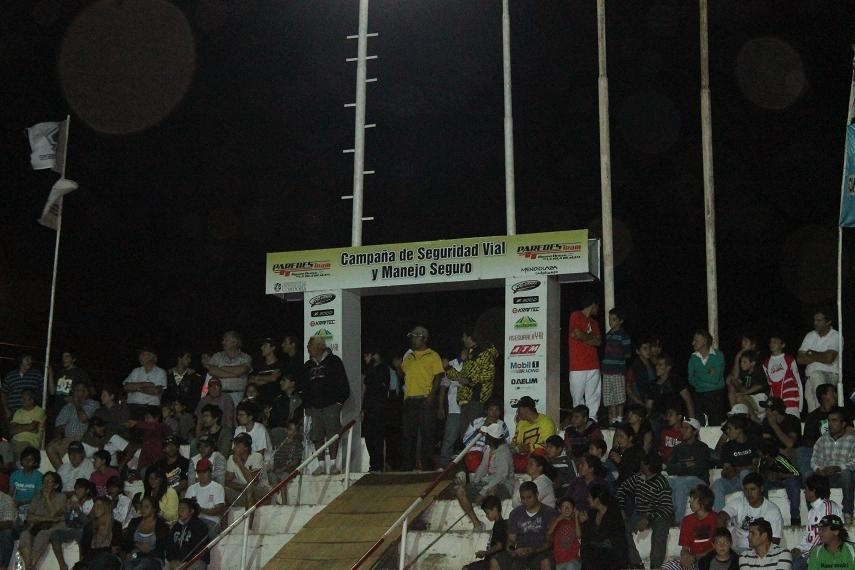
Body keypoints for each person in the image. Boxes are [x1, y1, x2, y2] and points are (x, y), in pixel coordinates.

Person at [301, 335, 350, 475]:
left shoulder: (334, 361)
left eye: (310, 345)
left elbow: (343, 382)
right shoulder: (308, 365)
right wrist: (307, 405)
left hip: (331, 405)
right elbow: (304, 387)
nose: (308, 348)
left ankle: (334, 465)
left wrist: (339, 402)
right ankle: (321, 465)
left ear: (319, 347)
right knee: (317, 436)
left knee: (333, 434)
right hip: (315, 408)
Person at [617, 452, 674, 570]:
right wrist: (621, 509)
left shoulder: (661, 482)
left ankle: (655, 566)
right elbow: (621, 490)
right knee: (620, 527)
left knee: (661, 527)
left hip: (658, 514)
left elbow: (666, 508)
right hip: (639, 513)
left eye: (642, 463)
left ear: (648, 466)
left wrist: (648, 518)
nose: (640, 464)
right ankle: (636, 563)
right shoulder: (638, 477)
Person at [399, 326, 444, 472]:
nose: (412, 340)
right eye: (412, 337)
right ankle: (408, 467)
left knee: (427, 434)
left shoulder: (433, 355)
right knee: (408, 435)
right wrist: (398, 368)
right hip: (410, 399)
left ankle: (426, 467)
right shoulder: (409, 356)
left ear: (423, 338)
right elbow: (403, 374)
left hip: (425, 399)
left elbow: (438, 377)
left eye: (415, 337)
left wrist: (432, 396)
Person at [454, 422, 514, 529]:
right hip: (488, 483)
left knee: (492, 490)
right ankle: (477, 524)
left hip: (504, 486)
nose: (485, 436)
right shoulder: (489, 449)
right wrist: (475, 483)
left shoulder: (504, 453)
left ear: (492, 438)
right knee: (460, 490)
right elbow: (483, 466)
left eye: (487, 435)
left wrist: (483, 492)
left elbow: (501, 477)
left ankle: (499, 525)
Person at [444, 327, 499, 438]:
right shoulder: (470, 354)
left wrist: (470, 380)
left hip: (476, 399)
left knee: (473, 435)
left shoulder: (483, 353)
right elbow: (461, 376)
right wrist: (447, 368)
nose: (462, 339)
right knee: (465, 435)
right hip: (465, 400)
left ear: (470, 337)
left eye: (464, 337)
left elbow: (488, 374)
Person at [717, 473, 784, 553]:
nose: (749, 493)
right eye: (746, 490)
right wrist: (725, 540)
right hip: (736, 549)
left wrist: (757, 553)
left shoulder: (772, 510)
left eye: (753, 489)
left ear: (761, 489)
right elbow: (721, 517)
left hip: (758, 551)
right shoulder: (739, 502)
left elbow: (775, 540)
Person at [809, 406, 855, 523]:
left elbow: (854, 462)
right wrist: (819, 470)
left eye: (834, 421)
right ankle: (814, 514)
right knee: (810, 476)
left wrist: (838, 467)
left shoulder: (852, 440)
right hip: (825, 476)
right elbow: (814, 460)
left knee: (847, 474)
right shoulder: (822, 440)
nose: (830, 424)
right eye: (829, 420)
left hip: (841, 475)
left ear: (843, 424)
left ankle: (847, 513)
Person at [791, 474, 844, 570]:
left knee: (796, 565)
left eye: (806, 489)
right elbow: (807, 534)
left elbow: (827, 534)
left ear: (813, 491)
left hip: (824, 553)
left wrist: (805, 554)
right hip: (810, 553)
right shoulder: (812, 511)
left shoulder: (827, 506)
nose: (804, 492)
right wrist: (799, 548)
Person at [502, 481, 556, 570]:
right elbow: (511, 540)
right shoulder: (515, 513)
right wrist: (512, 551)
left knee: (546, 561)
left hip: (542, 552)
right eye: (522, 498)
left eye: (529, 497)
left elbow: (550, 541)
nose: (525, 501)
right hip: (520, 553)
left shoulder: (549, 513)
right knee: (499, 560)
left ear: (537, 495)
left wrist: (533, 550)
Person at [18, 471, 67, 570]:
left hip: (55, 527)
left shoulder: (61, 496)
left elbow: (54, 514)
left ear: (56, 485)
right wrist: (47, 518)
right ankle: (29, 566)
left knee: (43, 534)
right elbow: (29, 517)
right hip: (37, 526)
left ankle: (31, 565)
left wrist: (47, 498)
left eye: (49, 482)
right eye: (44, 481)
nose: (46, 484)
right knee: (24, 534)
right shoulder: (37, 497)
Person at [661, 484, 717, 570]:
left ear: (703, 501)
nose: (689, 501)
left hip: (710, 560)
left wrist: (696, 557)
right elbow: (685, 548)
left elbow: (719, 547)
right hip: (693, 560)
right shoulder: (687, 520)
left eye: (693, 498)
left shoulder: (716, 518)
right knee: (666, 567)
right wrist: (685, 557)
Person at [667, 417, 712, 524]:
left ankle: (678, 520)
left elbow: (698, 470)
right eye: (682, 427)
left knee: (681, 483)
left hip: (700, 481)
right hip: (681, 479)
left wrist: (679, 467)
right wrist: (685, 465)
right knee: (665, 481)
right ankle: (667, 515)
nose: (682, 430)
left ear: (695, 431)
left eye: (686, 428)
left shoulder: (702, 447)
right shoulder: (678, 448)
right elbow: (669, 468)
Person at [48, 381, 100, 468]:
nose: (77, 393)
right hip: (68, 439)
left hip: (84, 438)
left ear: (86, 392)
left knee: (76, 451)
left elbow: (83, 418)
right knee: (50, 448)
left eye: (81, 390)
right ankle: (63, 472)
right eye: (76, 390)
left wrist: (76, 403)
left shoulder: (92, 404)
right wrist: (59, 436)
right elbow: (59, 426)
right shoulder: (67, 407)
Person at [797, 310, 840, 413]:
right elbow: (799, 359)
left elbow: (829, 358)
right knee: (813, 412)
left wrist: (811, 353)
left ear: (828, 322)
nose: (815, 323)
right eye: (815, 320)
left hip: (828, 375)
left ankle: (825, 421)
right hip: (809, 378)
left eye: (819, 320)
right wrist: (821, 355)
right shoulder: (810, 335)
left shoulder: (836, 336)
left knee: (822, 406)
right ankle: (819, 422)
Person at [712, 415, 758, 511]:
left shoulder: (752, 442)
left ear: (739, 429)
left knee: (744, 473)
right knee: (717, 483)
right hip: (734, 479)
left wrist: (737, 469)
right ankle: (720, 515)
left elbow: (755, 466)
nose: (727, 431)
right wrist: (727, 472)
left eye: (730, 428)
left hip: (751, 479)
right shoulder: (727, 446)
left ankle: (749, 510)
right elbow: (726, 469)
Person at [568, 293, 602, 419]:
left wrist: (583, 337)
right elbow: (576, 334)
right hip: (578, 365)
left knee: (593, 397)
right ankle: (580, 422)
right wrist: (590, 338)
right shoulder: (576, 315)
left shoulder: (594, 323)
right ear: (593, 304)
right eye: (597, 306)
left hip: (593, 365)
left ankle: (592, 420)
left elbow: (598, 342)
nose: (598, 309)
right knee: (577, 398)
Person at [579, 483, 628, 570]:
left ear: (597, 500)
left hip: (612, 552)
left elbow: (601, 536)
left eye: (590, 497)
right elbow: (587, 536)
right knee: (589, 555)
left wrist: (586, 522)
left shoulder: (613, 513)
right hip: (596, 553)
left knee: (597, 556)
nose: (587, 499)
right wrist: (584, 523)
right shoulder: (592, 513)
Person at [797, 384, 839, 482]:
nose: (835, 395)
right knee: (801, 451)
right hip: (819, 452)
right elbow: (807, 441)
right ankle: (810, 481)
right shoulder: (813, 417)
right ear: (823, 396)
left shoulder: (841, 413)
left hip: (839, 450)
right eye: (832, 392)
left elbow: (849, 434)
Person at [50, 478, 95, 570]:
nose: (77, 491)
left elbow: (89, 524)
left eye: (80, 488)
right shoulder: (73, 502)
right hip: (74, 530)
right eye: (76, 488)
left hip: (86, 532)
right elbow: (69, 522)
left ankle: (82, 564)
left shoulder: (92, 503)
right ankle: (62, 565)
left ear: (87, 490)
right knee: (54, 534)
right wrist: (68, 511)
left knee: (83, 534)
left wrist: (78, 512)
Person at [201, 330, 253, 406]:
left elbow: (242, 370)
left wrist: (221, 368)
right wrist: (235, 375)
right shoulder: (217, 356)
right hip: (219, 395)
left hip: (239, 395)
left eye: (226, 340)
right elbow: (212, 371)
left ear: (234, 342)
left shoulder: (245, 357)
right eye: (223, 340)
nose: (223, 342)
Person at [687, 329, 726, 425]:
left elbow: (715, 379)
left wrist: (698, 374)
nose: (693, 343)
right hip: (699, 395)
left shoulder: (718, 355)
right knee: (700, 426)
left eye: (696, 340)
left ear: (705, 341)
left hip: (716, 395)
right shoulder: (693, 357)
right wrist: (707, 373)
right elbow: (691, 379)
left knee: (716, 425)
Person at [601, 308, 631, 427]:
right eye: (610, 319)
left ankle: (619, 419)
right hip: (606, 371)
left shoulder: (624, 336)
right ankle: (612, 421)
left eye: (613, 320)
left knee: (619, 397)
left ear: (620, 321)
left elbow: (628, 354)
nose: (610, 322)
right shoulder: (608, 335)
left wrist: (617, 353)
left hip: (618, 371)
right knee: (609, 398)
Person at [647, 355, 696, 428]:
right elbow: (648, 406)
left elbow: (688, 400)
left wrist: (692, 420)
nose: (657, 367)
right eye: (656, 364)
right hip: (658, 419)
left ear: (668, 368)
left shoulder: (675, 380)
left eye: (660, 365)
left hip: (674, 417)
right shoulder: (653, 384)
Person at [122, 495, 170, 570]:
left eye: (146, 507)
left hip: (153, 558)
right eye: (141, 506)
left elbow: (161, 549)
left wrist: (148, 551)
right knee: (126, 566)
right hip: (134, 556)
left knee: (143, 565)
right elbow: (127, 542)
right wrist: (133, 547)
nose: (143, 509)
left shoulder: (162, 526)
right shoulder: (134, 522)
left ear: (154, 509)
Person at [362, 351, 391, 472]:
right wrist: (363, 408)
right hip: (369, 408)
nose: (370, 357)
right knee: (368, 437)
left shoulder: (384, 368)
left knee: (377, 437)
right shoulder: (369, 369)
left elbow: (375, 382)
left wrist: (369, 365)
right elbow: (366, 388)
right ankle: (373, 465)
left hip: (379, 408)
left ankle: (378, 465)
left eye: (373, 354)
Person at [462, 401, 510, 472]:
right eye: (491, 409)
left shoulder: (502, 425)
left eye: (497, 410)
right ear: (486, 411)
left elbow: (507, 444)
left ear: (500, 412)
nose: (494, 413)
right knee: (474, 462)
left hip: (494, 453)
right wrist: (480, 430)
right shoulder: (476, 422)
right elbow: (465, 441)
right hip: (476, 452)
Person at [225, 433, 269, 508]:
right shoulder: (231, 458)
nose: (234, 448)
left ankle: (250, 514)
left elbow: (252, 481)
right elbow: (228, 482)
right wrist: (242, 487)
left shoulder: (257, 457)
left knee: (249, 488)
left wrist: (239, 462)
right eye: (234, 445)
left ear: (246, 448)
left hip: (261, 491)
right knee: (223, 490)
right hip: (243, 491)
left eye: (237, 445)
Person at [763, 334, 803, 417]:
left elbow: (798, 382)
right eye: (771, 342)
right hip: (776, 403)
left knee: (793, 424)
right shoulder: (766, 363)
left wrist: (800, 406)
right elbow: (769, 384)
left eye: (775, 342)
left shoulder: (789, 359)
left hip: (791, 401)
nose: (772, 344)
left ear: (783, 345)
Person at [462, 495, 507, 570]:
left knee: (466, 568)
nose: (486, 516)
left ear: (495, 509)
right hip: (490, 560)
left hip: (493, 561)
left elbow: (499, 546)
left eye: (487, 513)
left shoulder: (500, 525)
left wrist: (484, 553)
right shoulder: (498, 524)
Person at [79, 495, 124, 569]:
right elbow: (85, 551)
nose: (95, 509)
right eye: (94, 506)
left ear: (106, 507)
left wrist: (98, 551)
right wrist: (107, 549)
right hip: (92, 560)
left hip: (110, 561)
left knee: (105, 558)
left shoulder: (116, 525)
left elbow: (116, 549)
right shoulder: (89, 527)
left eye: (99, 506)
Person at [165, 498, 210, 569]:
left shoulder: (200, 526)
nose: (180, 511)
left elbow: (197, 549)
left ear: (191, 511)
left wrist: (184, 562)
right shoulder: (176, 526)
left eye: (183, 509)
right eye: (179, 509)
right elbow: (169, 545)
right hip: (176, 561)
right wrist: (173, 560)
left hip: (195, 560)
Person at [184, 458, 226, 536]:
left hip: (211, 521)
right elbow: (185, 508)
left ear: (211, 472)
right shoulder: (191, 488)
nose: (201, 475)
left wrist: (200, 509)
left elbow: (218, 510)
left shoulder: (218, 487)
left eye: (204, 472)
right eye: (199, 472)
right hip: (193, 521)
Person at [123, 347, 167, 415]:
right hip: (132, 407)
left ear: (151, 356)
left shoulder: (160, 372)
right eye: (140, 354)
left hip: (150, 409)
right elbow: (126, 387)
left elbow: (156, 391)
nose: (140, 356)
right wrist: (147, 384)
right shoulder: (136, 371)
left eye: (143, 354)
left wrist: (135, 388)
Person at [49, 350, 93, 414]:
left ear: (73, 359)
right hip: (58, 409)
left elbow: (91, 391)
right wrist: (50, 374)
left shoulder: (80, 373)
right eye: (63, 357)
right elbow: (52, 392)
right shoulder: (60, 373)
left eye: (66, 356)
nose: (64, 359)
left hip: (72, 410)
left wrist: (76, 399)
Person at [267, 373, 304, 450]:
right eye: (281, 380)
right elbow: (273, 420)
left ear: (292, 383)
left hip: (297, 428)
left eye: (284, 380)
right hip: (283, 428)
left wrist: (293, 426)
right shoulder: (278, 400)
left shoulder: (301, 397)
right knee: (275, 431)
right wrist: (286, 426)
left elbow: (302, 416)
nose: (281, 382)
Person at [6, 388, 46, 460]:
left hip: (29, 443)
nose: (21, 401)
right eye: (21, 398)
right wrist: (28, 427)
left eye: (24, 399)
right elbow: (11, 430)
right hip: (14, 441)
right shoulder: (18, 412)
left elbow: (32, 427)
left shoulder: (39, 411)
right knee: (3, 446)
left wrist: (18, 426)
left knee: (18, 451)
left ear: (32, 400)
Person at [2, 353, 43, 418]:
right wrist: (7, 410)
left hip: (32, 413)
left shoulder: (36, 374)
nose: (30, 362)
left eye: (31, 359)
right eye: (27, 359)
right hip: (13, 412)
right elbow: (3, 394)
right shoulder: (10, 375)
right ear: (20, 360)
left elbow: (44, 392)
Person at [548, 497, 581, 570]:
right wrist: (557, 520)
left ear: (574, 509)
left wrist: (576, 517)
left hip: (572, 559)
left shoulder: (576, 522)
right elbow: (549, 532)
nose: (566, 509)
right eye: (563, 506)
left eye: (569, 506)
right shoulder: (556, 522)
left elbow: (579, 536)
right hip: (559, 560)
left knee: (571, 566)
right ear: (560, 510)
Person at [248, 338, 284, 402]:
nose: (262, 348)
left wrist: (258, 378)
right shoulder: (258, 364)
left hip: (275, 400)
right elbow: (250, 380)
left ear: (273, 348)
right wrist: (267, 379)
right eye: (262, 345)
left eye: (265, 345)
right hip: (259, 401)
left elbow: (274, 378)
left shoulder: (280, 364)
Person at [11, 447, 43, 513]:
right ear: (21, 460)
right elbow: (11, 493)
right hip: (16, 504)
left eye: (31, 460)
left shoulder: (39, 476)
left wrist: (22, 503)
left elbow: (38, 497)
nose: (27, 462)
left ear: (36, 463)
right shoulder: (15, 475)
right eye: (25, 459)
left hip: (32, 505)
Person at [626, 338, 656, 408]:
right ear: (638, 351)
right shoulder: (634, 367)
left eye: (649, 348)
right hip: (636, 405)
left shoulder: (652, 365)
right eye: (645, 348)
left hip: (649, 402)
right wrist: (639, 402)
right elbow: (627, 388)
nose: (648, 351)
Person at [0, 489, 15, 570]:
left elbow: (9, 523)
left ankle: (3, 566)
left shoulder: (6, 499)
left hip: (3, 529)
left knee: (7, 533)